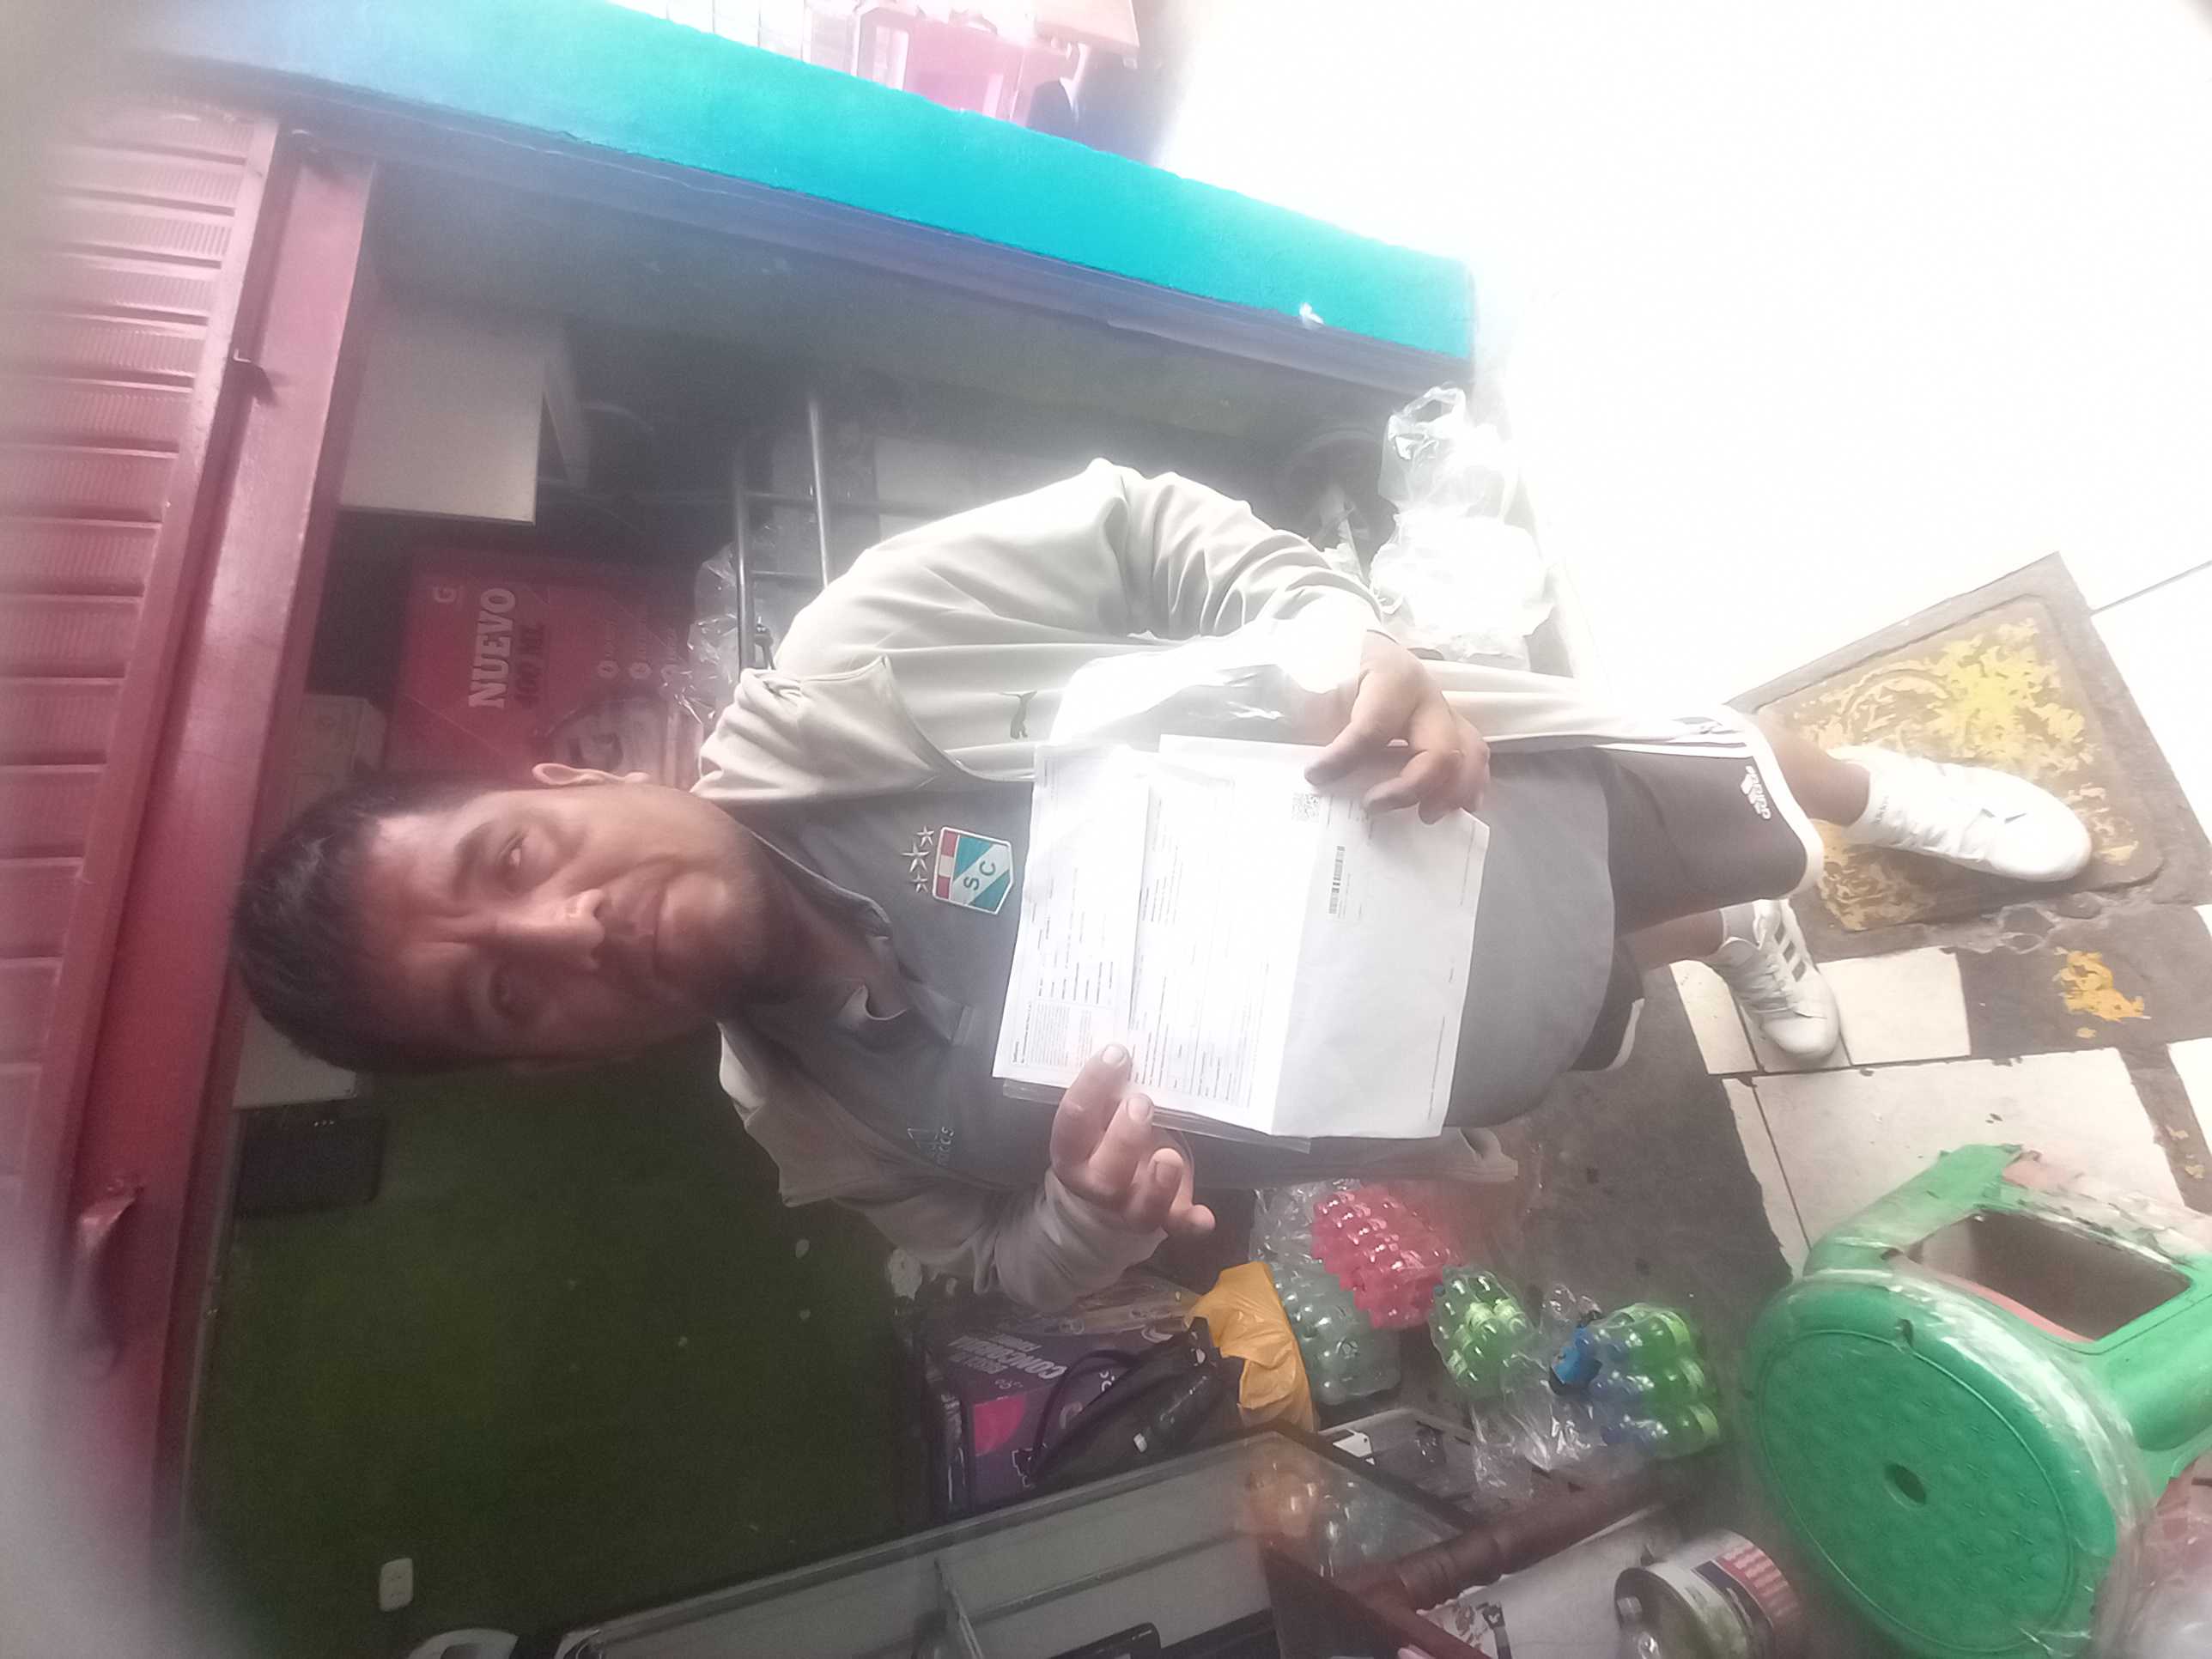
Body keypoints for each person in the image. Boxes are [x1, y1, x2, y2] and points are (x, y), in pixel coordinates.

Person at [233, 463, 2091, 1309]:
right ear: (542, 1065)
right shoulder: (802, 1124)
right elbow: (991, 1271)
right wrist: (1081, 1217)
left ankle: (1897, 794)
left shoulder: (860, 663)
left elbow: (1148, 528)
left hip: (1493, 795)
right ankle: (1732, 939)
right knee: (1617, 965)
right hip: (1475, 1045)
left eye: (514, 861)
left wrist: (1335, 639)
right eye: (504, 991)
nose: (568, 928)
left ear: (561, 781)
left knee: (1724, 780)